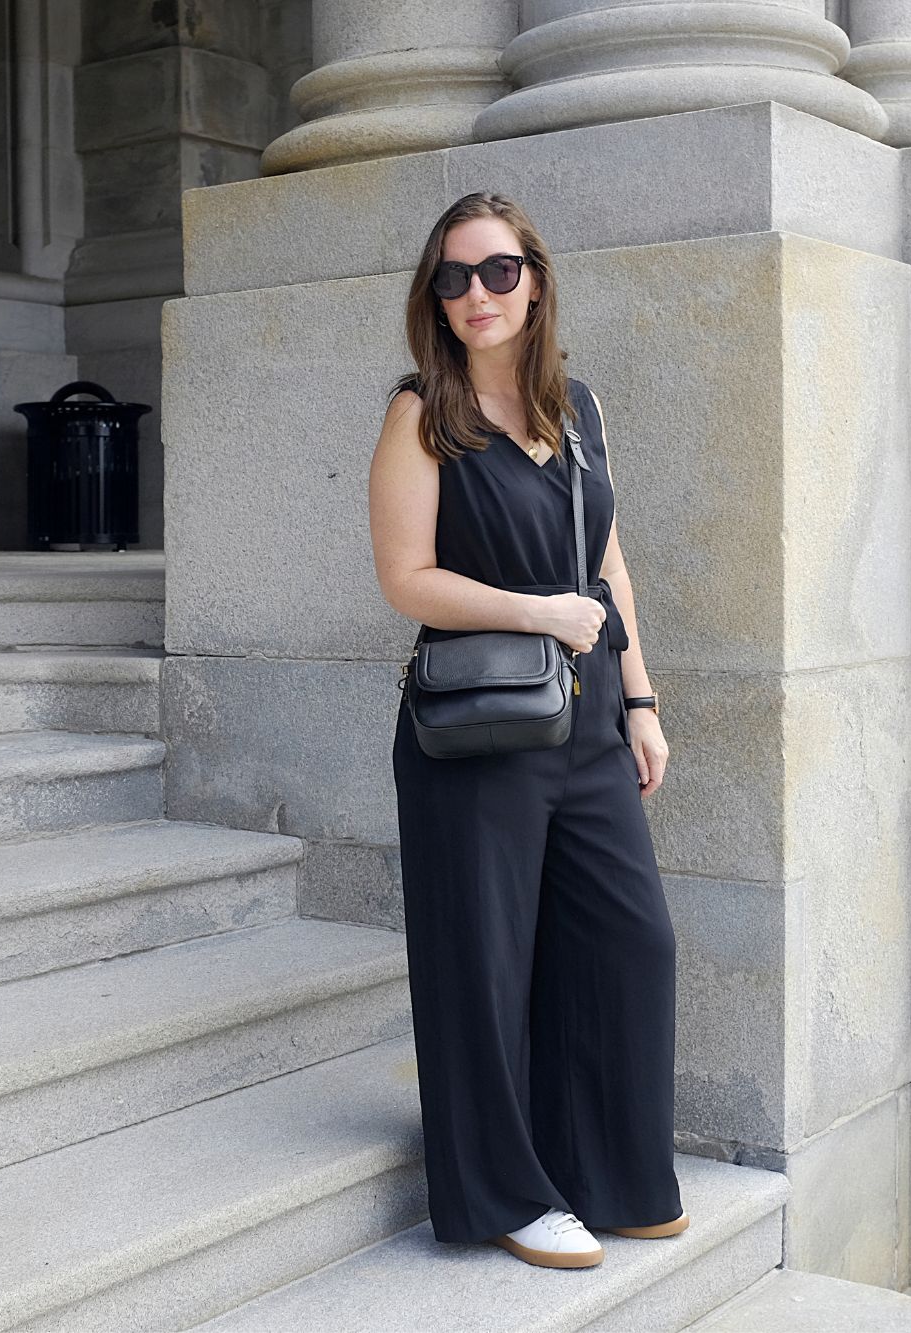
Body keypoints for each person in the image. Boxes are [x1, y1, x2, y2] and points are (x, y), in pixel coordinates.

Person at [367, 191, 687, 1270]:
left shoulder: (577, 409)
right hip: (478, 730)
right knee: (482, 966)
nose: (474, 296)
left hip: (589, 723)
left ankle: (606, 1172)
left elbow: (607, 564)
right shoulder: (419, 413)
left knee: (629, 942)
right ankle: (504, 1192)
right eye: (451, 278)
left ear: (535, 281)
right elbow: (405, 578)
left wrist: (638, 698)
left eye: (496, 272)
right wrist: (536, 613)